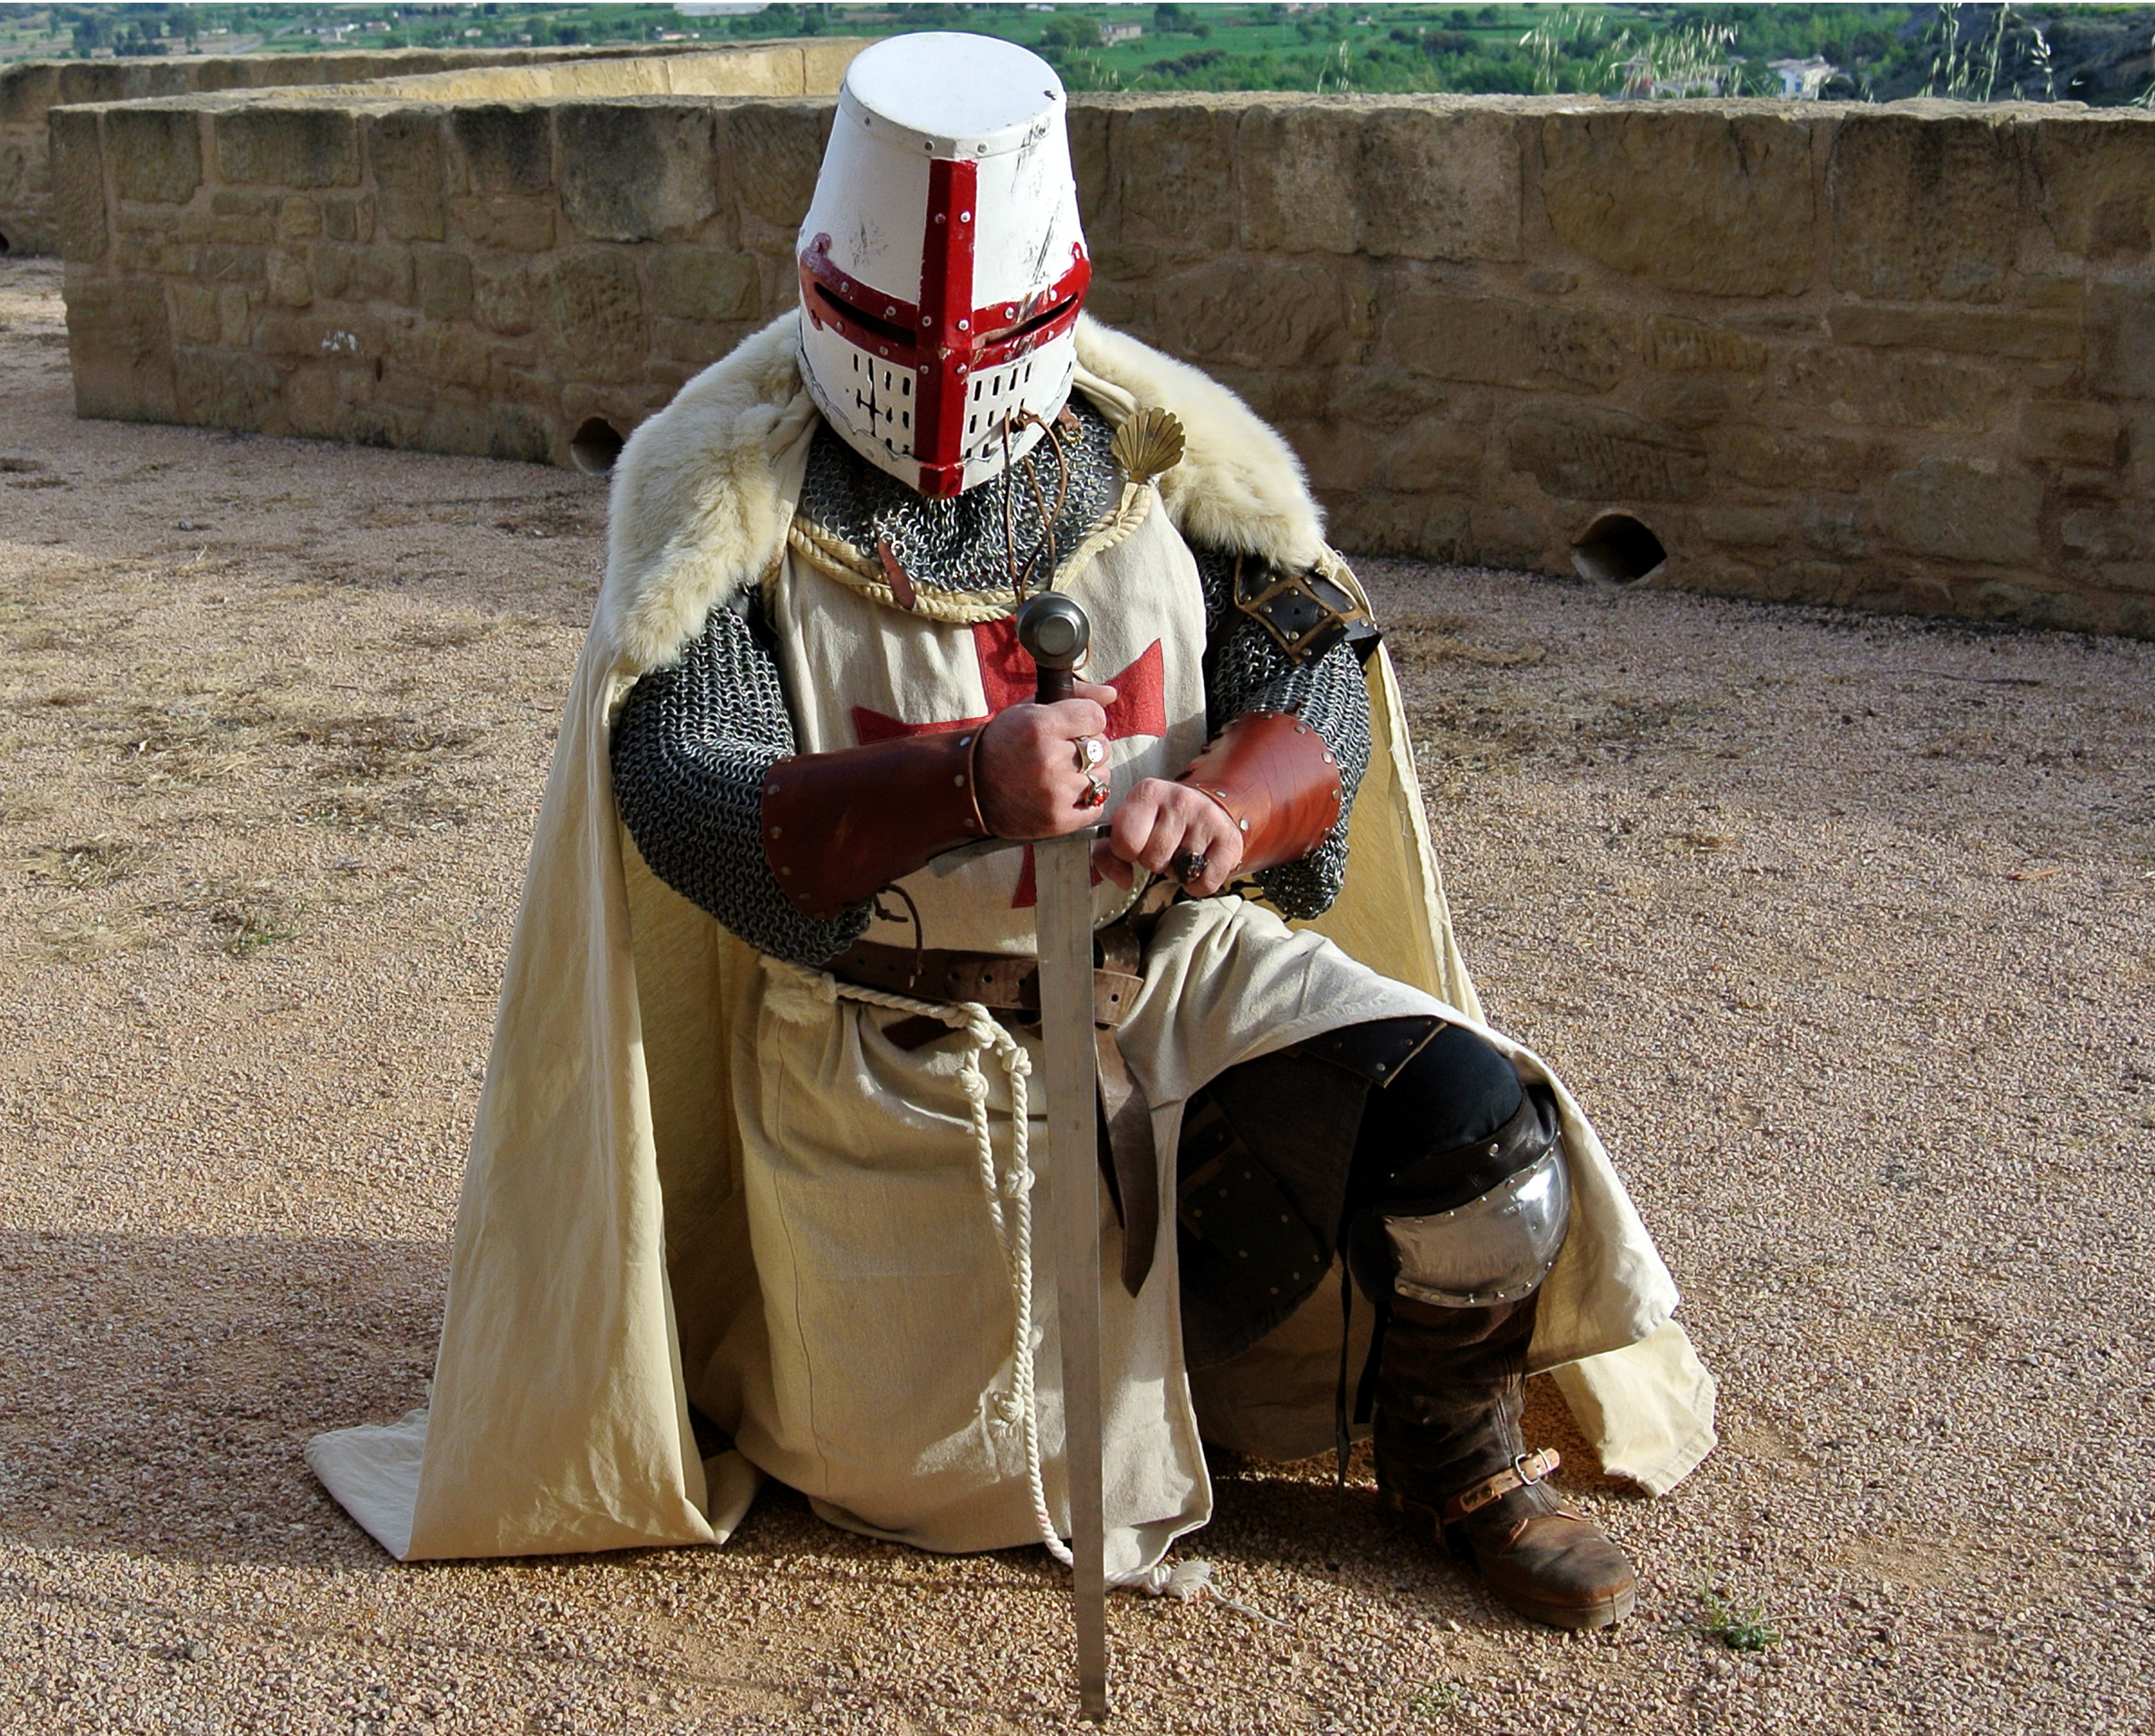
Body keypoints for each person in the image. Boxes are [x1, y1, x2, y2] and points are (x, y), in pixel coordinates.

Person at [308, 32, 1714, 1635]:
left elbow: (1312, 663)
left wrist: (1230, 803)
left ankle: (1451, 1450)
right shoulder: (730, 493)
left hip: (1174, 970)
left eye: (986, 340)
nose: (943, 381)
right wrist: (961, 787)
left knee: (1474, 1129)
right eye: (893, 332)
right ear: (825, 290)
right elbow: (689, 801)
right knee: (955, 1485)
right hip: (893, 1045)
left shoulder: (1162, 449)